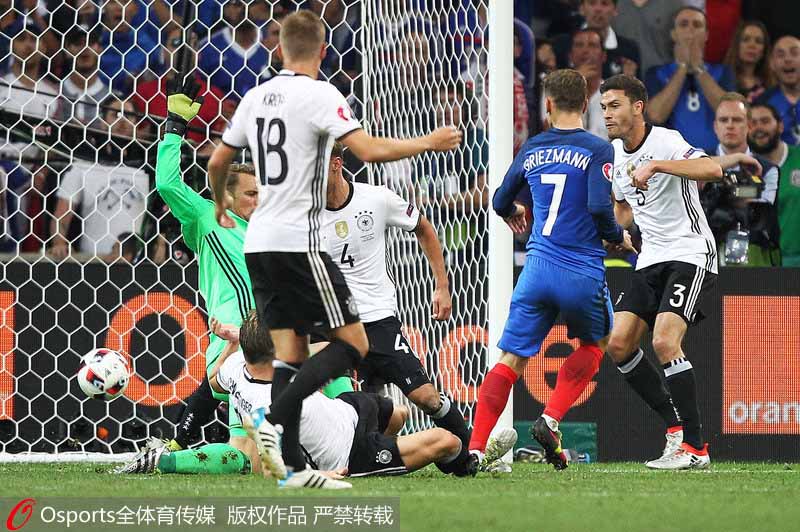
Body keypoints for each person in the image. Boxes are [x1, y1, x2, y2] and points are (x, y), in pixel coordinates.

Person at [206, 10, 461, 489]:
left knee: (290, 352)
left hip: (259, 243)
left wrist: (221, 204)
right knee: (353, 344)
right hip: (296, 242)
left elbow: (219, 160)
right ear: (323, 51)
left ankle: (292, 467)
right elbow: (367, 151)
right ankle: (276, 419)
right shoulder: (321, 94)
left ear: (278, 49)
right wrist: (429, 140)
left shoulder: (255, 96)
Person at [117, 312, 512, 481]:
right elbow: (274, 469)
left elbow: (216, 383)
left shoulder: (238, 364)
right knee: (446, 440)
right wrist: (321, 476)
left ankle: (392, 451)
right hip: (347, 454)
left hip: (345, 413)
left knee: (399, 413)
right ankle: (469, 463)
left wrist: (231, 344)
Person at [469, 69, 634, 471]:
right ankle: (550, 418)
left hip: (537, 269)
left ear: (547, 105)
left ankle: (474, 449)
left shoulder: (533, 146)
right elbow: (598, 207)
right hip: (581, 271)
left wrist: (514, 209)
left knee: (510, 359)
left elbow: (500, 199)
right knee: (596, 344)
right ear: (585, 104)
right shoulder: (598, 149)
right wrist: (617, 237)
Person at [600, 74, 757, 469]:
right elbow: (623, 205)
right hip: (650, 257)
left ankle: (696, 448)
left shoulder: (666, 141)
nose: (607, 114)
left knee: (665, 341)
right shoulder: (614, 154)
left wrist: (657, 165)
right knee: (618, 344)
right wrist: (618, 233)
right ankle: (675, 428)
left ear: (638, 107)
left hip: (689, 251)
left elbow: (712, 169)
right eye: (603, 107)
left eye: (615, 105)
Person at [321, 142, 507, 476]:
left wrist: (442, 286)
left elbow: (423, 227)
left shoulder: (376, 199)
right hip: (333, 324)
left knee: (425, 397)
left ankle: (471, 454)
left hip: (378, 320)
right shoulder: (303, 215)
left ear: (336, 164)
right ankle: (350, 463)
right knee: (353, 403)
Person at [49, 98, 149, 260]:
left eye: (128, 116)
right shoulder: (83, 166)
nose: (122, 121)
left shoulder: (147, 169)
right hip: (93, 260)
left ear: (136, 125)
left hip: (138, 260)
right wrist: (59, 242)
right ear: (103, 123)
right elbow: (62, 215)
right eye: (115, 115)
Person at [645, 6, 735, 152]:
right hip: (672, 158)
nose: (690, 29)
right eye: (684, 24)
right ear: (673, 34)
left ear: (706, 35)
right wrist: (682, 68)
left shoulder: (723, 72)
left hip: (716, 157)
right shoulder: (656, 73)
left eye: (697, 25)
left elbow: (731, 112)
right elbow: (655, 116)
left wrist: (698, 69)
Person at [704, 92, 780, 266]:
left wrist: (720, 194)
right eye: (724, 120)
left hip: (755, 256)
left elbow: (760, 214)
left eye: (737, 120)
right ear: (715, 126)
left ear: (750, 126)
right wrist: (740, 195)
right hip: (708, 255)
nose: (730, 125)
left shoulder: (767, 169)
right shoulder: (699, 162)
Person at [749, 102, 800, 266]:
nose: (758, 128)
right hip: (758, 264)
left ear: (780, 126)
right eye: (752, 123)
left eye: (765, 121)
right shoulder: (740, 167)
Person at [553, 0, 640, 79]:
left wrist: (630, 82)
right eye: (592, 3)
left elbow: (640, 89)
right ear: (581, 9)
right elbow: (552, 88)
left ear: (615, 10)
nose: (598, 9)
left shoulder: (629, 49)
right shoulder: (562, 44)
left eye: (604, 3)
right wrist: (577, 79)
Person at [613, 0, 684, 75]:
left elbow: (683, 44)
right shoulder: (611, 4)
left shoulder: (672, 4)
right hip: (621, 76)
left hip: (664, 77)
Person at [756, 36, 800, 146]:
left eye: (794, 53)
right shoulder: (762, 104)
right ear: (772, 63)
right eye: (781, 55)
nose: (788, 59)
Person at [722, 21, 774, 103]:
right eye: (746, 39)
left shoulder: (770, 84)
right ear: (737, 46)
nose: (752, 45)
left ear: (764, 51)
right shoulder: (722, 77)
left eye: (758, 41)